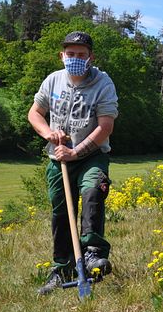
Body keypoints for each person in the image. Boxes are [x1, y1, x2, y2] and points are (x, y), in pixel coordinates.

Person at [28, 31, 119, 293]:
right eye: (71, 54)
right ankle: (62, 267)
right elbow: (35, 113)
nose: (75, 58)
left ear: (91, 57)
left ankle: (91, 253)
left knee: (93, 191)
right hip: (58, 158)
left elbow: (105, 126)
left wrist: (76, 151)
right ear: (62, 56)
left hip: (92, 156)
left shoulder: (103, 83)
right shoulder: (53, 80)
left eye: (81, 54)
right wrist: (49, 134)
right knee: (60, 211)